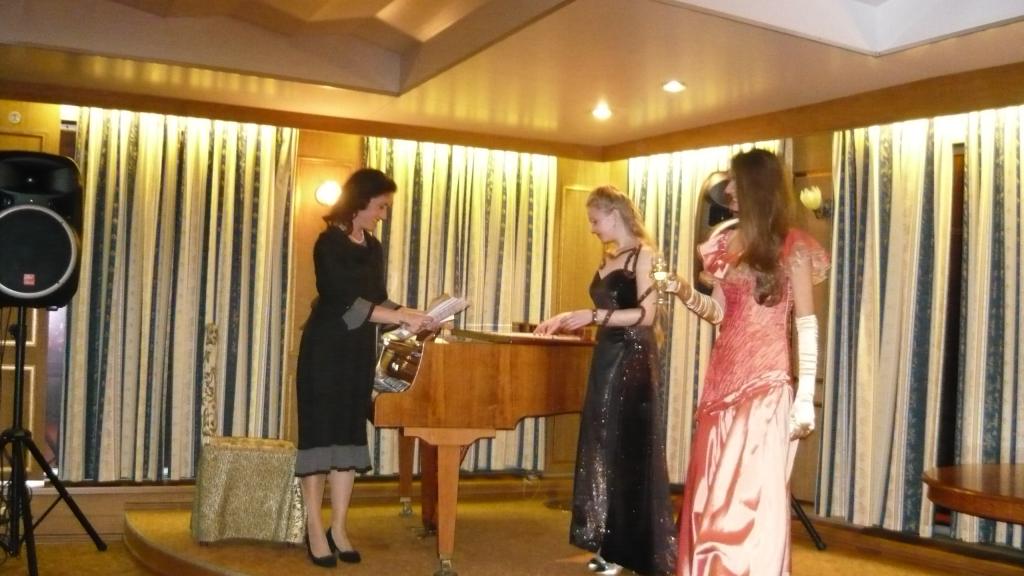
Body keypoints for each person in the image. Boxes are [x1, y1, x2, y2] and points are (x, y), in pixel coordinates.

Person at [670, 149, 829, 576]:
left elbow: (806, 324)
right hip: (721, 382)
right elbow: (718, 313)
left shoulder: (792, 246)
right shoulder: (725, 243)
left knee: (749, 501)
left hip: (765, 384)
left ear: (756, 187)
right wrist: (683, 291)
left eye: (736, 183)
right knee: (710, 494)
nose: (729, 191)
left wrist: (804, 396)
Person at [295, 168, 437, 568]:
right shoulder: (328, 243)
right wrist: (400, 316)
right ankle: (314, 529)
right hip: (324, 352)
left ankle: (339, 528)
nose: (383, 215)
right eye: (381, 206)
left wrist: (415, 314)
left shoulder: (373, 246)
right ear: (359, 202)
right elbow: (344, 303)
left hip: (357, 352)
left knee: (348, 435)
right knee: (319, 438)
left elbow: (378, 300)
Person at [535, 185, 676, 576]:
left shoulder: (645, 256)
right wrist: (565, 317)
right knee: (603, 443)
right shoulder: (610, 259)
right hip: (607, 354)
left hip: (633, 356)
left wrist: (593, 317)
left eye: (595, 220)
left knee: (627, 448)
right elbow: (602, 309)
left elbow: (646, 315)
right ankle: (609, 542)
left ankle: (627, 549)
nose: (593, 228)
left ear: (614, 214)